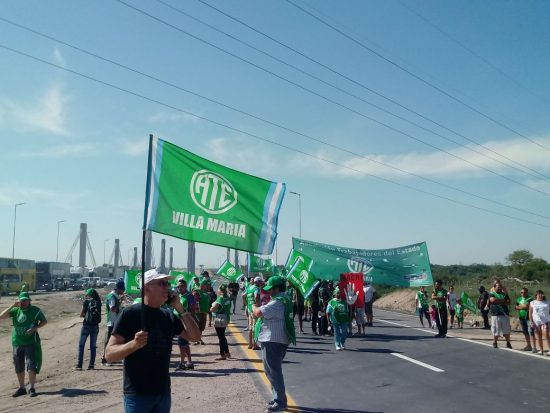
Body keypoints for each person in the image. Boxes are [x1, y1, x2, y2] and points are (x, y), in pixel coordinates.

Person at [105, 268, 200, 413]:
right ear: (146, 287)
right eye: (162, 283)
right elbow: (109, 355)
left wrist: (180, 308)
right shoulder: (130, 314)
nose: (167, 287)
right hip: (138, 395)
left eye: (167, 284)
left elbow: (195, 337)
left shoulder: (168, 315)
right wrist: (133, 345)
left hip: (163, 393)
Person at [252, 276, 295, 412]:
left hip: (273, 340)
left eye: (271, 289)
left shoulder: (278, 302)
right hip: (277, 339)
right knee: (272, 371)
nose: (269, 291)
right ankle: (278, 397)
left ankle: (280, 402)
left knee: (273, 372)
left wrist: (253, 305)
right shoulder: (285, 299)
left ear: (277, 288)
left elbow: (258, 312)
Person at [0, 291, 47, 398]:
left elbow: (44, 321)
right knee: (19, 366)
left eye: (26, 300)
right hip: (17, 342)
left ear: (29, 300)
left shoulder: (35, 310)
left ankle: (32, 388)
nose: (24, 302)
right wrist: (13, 305)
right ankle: (22, 388)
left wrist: (35, 328)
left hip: (30, 342)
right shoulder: (15, 310)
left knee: (31, 365)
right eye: (22, 300)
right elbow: (1, 317)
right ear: (19, 301)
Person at [76, 288, 102, 370]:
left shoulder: (86, 302)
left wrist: (86, 316)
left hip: (86, 326)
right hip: (95, 326)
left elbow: (81, 314)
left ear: (89, 295)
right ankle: (91, 365)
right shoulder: (99, 302)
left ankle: (79, 365)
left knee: (81, 345)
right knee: (93, 346)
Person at [101, 280, 125, 366]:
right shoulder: (112, 296)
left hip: (116, 321)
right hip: (112, 321)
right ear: (118, 289)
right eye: (122, 290)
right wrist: (120, 301)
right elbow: (113, 309)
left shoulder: (115, 296)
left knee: (116, 341)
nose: (123, 292)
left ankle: (113, 358)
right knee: (109, 341)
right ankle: (105, 359)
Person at [175, 278, 196, 371]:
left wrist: (189, 319)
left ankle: (182, 363)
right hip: (178, 321)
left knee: (181, 343)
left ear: (185, 286)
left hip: (184, 322)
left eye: (181, 286)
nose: (179, 288)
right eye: (178, 286)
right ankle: (189, 362)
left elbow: (193, 308)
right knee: (184, 343)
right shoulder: (178, 296)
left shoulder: (189, 296)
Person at [210, 284, 232, 360]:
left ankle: (224, 354)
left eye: (218, 289)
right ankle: (225, 353)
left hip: (219, 319)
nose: (217, 290)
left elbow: (213, 309)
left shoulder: (220, 299)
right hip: (226, 318)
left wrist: (211, 308)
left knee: (221, 337)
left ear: (220, 291)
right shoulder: (228, 298)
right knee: (222, 336)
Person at [489, 281, 512, 349]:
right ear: (494, 287)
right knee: (496, 330)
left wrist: (498, 301)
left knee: (506, 330)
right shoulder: (492, 294)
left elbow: (509, 302)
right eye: (498, 287)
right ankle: (495, 342)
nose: (499, 288)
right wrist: (503, 301)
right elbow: (493, 300)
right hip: (495, 315)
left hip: (505, 314)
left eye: (500, 287)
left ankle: (508, 343)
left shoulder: (504, 294)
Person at [529, 290, 550, 355]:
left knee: (546, 335)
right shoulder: (532, 303)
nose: (540, 295)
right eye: (539, 294)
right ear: (536, 295)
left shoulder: (547, 302)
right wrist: (531, 321)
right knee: (538, 336)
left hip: (545, 321)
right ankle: (541, 350)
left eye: (541, 294)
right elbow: (530, 313)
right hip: (536, 322)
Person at [515, 287, 534, 352]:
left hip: (528, 317)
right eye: (521, 292)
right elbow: (516, 307)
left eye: (524, 292)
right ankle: (529, 345)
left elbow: (527, 306)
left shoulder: (530, 298)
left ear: (527, 292)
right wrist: (523, 306)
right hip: (521, 317)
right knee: (525, 332)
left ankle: (534, 346)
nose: (523, 293)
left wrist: (520, 306)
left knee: (530, 332)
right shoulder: (518, 299)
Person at [246, 277, 262, 349]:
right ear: (257, 282)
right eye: (260, 281)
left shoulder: (249, 288)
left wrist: (246, 304)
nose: (261, 283)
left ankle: (250, 344)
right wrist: (258, 306)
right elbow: (256, 296)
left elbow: (243, 296)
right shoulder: (256, 288)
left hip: (249, 309)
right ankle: (255, 345)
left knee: (250, 327)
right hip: (254, 309)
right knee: (255, 327)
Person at [192, 280, 210, 345]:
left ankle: (199, 338)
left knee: (201, 327)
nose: (208, 286)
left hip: (204, 313)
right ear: (203, 285)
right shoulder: (197, 291)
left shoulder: (205, 293)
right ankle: (196, 339)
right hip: (198, 313)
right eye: (207, 285)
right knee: (197, 326)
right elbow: (193, 299)